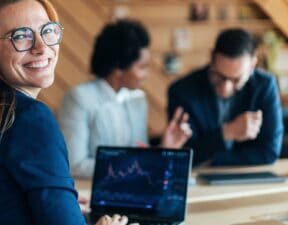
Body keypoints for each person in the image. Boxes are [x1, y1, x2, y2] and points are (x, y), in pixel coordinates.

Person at [0, 1, 136, 224]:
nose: (41, 47)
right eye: (21, 36)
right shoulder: (29, 118)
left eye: (47, 31)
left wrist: (63, 205)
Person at [58, 20, 192, 178]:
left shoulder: (138, 99)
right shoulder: (79, 98)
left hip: (131, 191)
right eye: (142, 67)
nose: (147, 75)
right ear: (118, 68)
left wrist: (164, 147)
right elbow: (75, 165)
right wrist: (135, 164)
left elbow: (139, 154)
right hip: (90, 194)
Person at [167, 28, 284, 166]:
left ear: (253, 64)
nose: (226, 87)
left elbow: (269, 152)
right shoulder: (182, 91)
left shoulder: (265, 85)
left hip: (250, 178)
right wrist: (227, 132)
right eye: (220, 76)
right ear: (211, 57)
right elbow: (184, 155)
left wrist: (213, 159)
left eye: (236, 80)